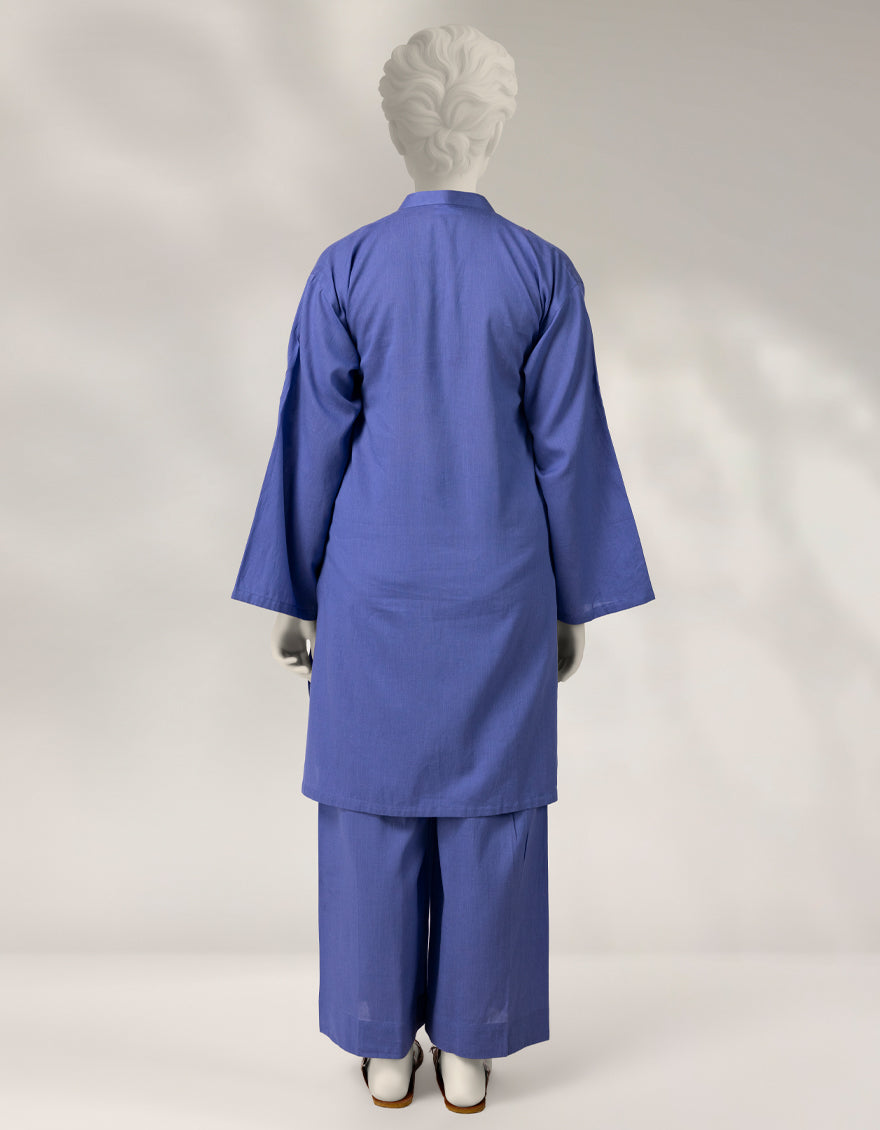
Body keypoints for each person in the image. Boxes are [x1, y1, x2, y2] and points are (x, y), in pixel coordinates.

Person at [231, 23, 655, 1113]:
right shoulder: (540, 271)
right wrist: (573, 601)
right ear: (497, 127)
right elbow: (567, 449)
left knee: (370, 811)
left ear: (396, 131)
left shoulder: (347, 267)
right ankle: (470, 1048)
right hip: (501, 584)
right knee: (491, 815)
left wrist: (292, 595)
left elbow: (313, 441)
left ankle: (383, 1049)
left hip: (370, 583)